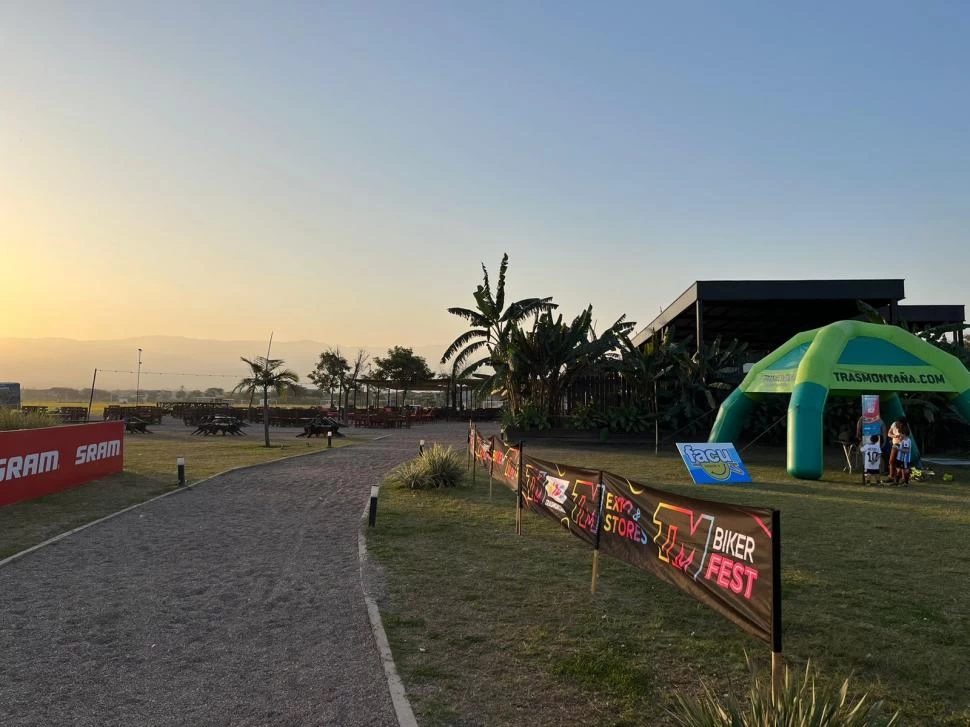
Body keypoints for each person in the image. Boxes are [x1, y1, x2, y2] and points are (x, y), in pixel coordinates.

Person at [887, 417, 908, 481]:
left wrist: (901, 437)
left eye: (901, 424)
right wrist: (895, 436)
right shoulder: (894, 424)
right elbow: (889, 433)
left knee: (900, 463)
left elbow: (905, 438)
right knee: (891, 461)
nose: (900, 424)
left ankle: (900, 478)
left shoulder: (905, 427)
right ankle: (892, 476)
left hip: (901, 445)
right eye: (899, 423)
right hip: (895, 444)